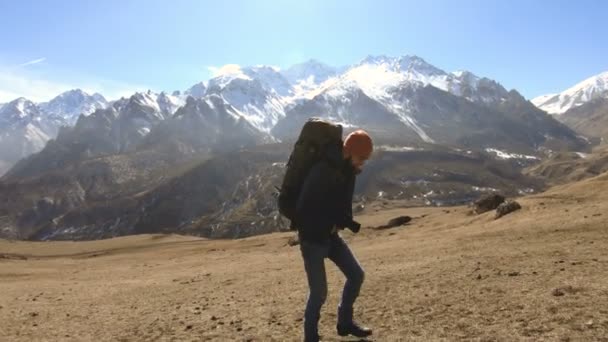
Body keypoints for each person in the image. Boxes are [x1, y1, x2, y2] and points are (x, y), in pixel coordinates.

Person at [294, 129, 374, 342]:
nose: (363, 163)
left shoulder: (347, 170)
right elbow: (306, 206)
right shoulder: (322, 170)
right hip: (312, 240)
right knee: (319, 293)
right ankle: (310, 338)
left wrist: (344, 222)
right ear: (350, 152)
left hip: (331, 237)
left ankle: (344, 324)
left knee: (356, 275)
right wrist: (326, 223)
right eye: (362, 158)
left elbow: (338, 204)